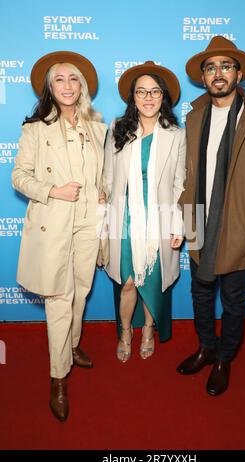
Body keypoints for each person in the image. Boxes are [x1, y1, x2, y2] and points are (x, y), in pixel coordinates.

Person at [177, 37, 245, 395]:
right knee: (200, 292)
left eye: (226, 66)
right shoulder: (193, 117)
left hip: (238, 223)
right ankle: (207, 347)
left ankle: (225, 357)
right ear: (204, 76)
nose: (218, 73)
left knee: (234, 298)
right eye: (211, 67)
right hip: (197, 217)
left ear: (238, 73)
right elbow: (187, 173)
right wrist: (183, 212)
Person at [12, 51, 107, 421]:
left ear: (82, 86)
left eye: (73, 79)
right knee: (59, 297)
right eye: (59, 80)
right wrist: (53, 190)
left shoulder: (97, 128)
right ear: (49, 88)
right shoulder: (35, 129)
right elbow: (19, 177)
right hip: (54, 219)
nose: (67, 86)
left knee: (81, 289)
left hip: (88, 221)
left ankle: (70, 345)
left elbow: (105, 176)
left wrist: (103, 192)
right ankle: (58, 376)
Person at [102, 61, 186, 362]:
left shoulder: (176, 134)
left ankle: (149, 329)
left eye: (154, 92)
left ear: (163, 97)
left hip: (160, 217)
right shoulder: (117, 129)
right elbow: (108, 180)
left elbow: (181, 184)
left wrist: (180, 225)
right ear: (133, 98)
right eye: (141, 92)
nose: (148, 98)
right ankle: (125, 331)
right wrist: (105, 225)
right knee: (126, 280)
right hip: (124, 217)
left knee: (152, 279)